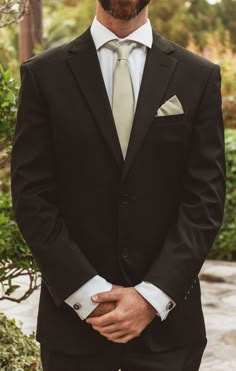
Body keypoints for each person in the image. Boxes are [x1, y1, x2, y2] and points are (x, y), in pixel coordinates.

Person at [11, 0, 226, 370]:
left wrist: (150, 298)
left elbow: (205, 201)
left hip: (169, 333)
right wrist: (90, 295)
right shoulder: (43, 75)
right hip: (73, 332)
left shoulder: (198, 76)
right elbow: (32, 197)